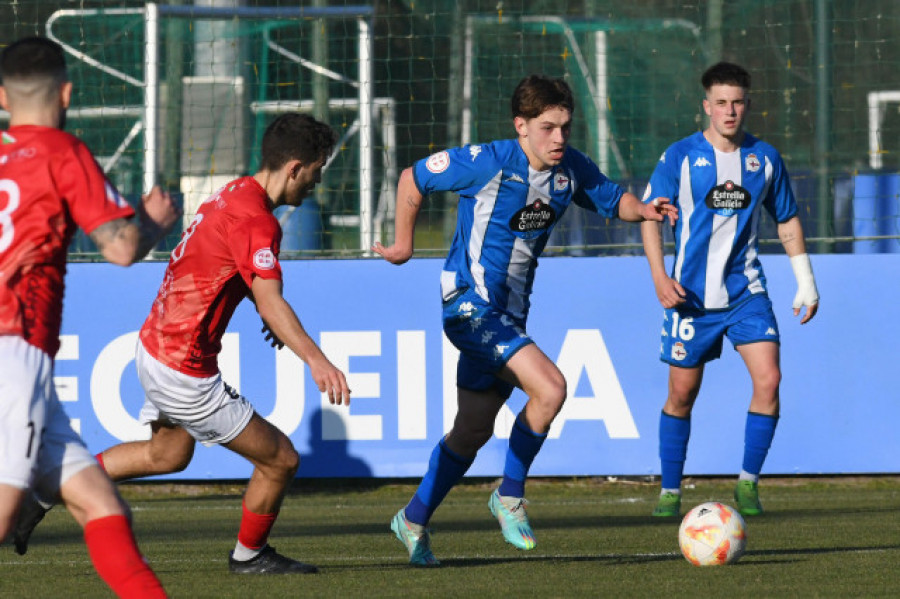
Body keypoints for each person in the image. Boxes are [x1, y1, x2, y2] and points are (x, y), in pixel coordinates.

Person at [15, 112, 352, 574]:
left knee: (166, 454)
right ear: (294, 167)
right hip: (182, 368)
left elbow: (227, 269)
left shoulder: (235, 192)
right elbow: (270, 299)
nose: (315, 183)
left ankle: (45, 488)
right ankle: (249, 556)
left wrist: (266, 310)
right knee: (281, 459)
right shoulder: (257, 220)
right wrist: (318, 362)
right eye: (315, 172)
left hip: (153, 346)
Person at [374, 74, 677, 566]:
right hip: (469, 306)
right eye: (547, 127)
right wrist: (404, 245)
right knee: (551, 388)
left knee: (470, 431)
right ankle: (509, 496)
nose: (558, 138)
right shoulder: (489, 162)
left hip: (508, 315)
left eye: (565, 127)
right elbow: (413, 177)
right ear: (521, 126)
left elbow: (610, 197)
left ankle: (412, 519)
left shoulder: (569, 168)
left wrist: (643, 209)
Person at [0, 36, 179, 597]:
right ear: (68, 93)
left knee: (100, 503)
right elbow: (122, 248)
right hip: (15, 343)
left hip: (20, 356)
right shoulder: (61, 151)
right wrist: (152, 220)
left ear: (3, 98)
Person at [640, 62, 819, 518]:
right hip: (690, 298)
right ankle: (669, 490)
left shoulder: (765, 159)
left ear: (748, 105)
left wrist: (806, 281)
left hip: (746, 292)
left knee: (770, 378)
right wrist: (660, 277)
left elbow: (787, 219)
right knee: (681, 394)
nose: (729, 110)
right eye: (721, 102)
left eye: (737, 102)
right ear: (707, 106)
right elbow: (649, 215)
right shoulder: (679, 156)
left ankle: (747, 483)